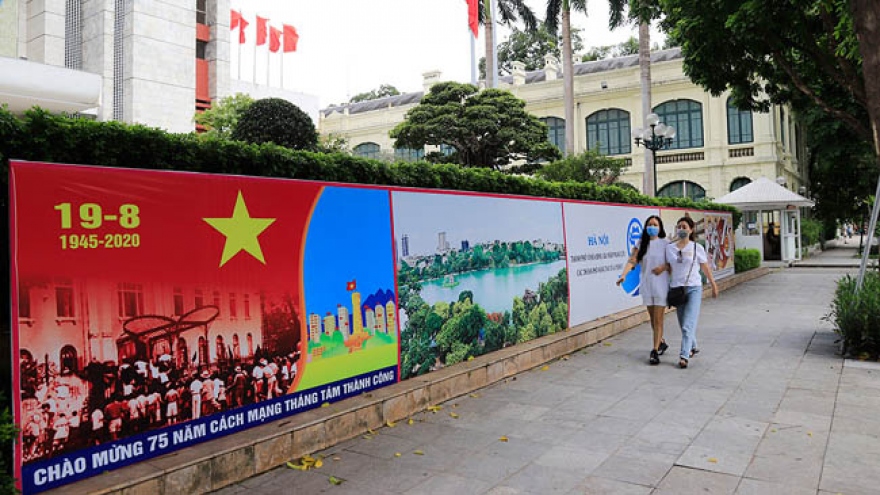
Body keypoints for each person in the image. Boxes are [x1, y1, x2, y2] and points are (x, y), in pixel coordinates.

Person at [665, 216, 719, 368]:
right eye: (679, 226)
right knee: (683, 324)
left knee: (688, 323)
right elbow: (668, 267)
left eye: (684, 227)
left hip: (694, 288)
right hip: (677, 289)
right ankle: (693, 346)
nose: (681, 229)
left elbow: (705, 267)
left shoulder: (697, 248)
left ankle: (684, 356)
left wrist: (713, 284)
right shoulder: (670, 248)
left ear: (691, 229)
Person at [617, 215, 671, 365]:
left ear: (660, 227)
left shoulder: (666, 244)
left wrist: (663, 267)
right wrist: (623, 275)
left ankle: (654, 351)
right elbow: (632, 261)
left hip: (661, 286)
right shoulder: (641, 243)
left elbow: (673, 263)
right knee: (653, 319)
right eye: (649, 224)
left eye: (655, 224)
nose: (652, 227)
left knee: (659, 319)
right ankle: (661, 341)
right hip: (647, 285)